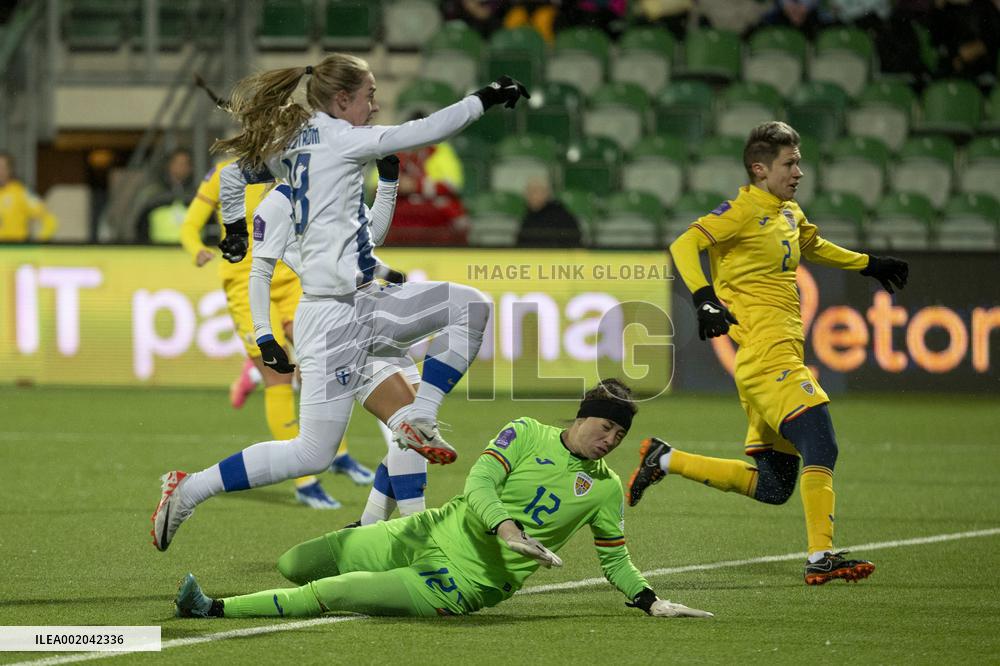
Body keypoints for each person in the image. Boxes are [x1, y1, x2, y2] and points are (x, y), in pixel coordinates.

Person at [150, 55, 529, 551]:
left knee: (470, 307)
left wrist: (236, 231)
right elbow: (431, 127)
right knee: (312, 455)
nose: (375, 106)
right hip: (329, 319)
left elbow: (230, 179)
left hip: (365, 304)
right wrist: (484, 97)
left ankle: (415, 467)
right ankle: (190, 487)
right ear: (342, 99)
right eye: (369, 95)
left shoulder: (295, 145)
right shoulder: (344, 142)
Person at [173, 379, 714, 620]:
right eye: (605, 427)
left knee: (332, 591)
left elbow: (614, 557)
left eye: (619, 436)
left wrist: (649, 600)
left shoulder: (604, 488)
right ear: (581, 416)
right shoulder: (525, 431)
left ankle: (210, 609)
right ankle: (366, 525)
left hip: (457, 584)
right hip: (429, 530)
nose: (611, 440)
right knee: (294, 563)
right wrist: (506, 528)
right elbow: (478, 483)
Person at [629, 121, 908, 585]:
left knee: (776, 485)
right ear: (760, 169)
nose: (798, 171)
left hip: (768, 359)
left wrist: (868, 263)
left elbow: (812, 245)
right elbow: (683, 244)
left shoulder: (789, 213)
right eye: (789, 163)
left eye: (799, 161)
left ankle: (664, 459)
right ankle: (821, 556)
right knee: (822, 441)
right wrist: (703, 297)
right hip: (768, 355)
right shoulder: (740, 210)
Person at [178, 154, 374, 509]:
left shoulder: (290, 161)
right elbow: (190, 226)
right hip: (245, 280)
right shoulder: (225, 172)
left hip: (292, 274)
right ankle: (305, 480)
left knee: (326, 357)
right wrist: (197, 251)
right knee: (278, 376)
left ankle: (339, 453)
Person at [135, 148, 196, 244]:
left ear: (190, 168)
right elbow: (140, 224)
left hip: (192, 249)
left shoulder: (198, 193)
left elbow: (211, 225)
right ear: (169, 165)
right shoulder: (153, 193)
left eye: (185, 164)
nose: (181, 167)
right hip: (158, 249)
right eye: (178, 163)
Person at [0, 152, 58, 242]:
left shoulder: (21, 192)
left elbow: (49, 220)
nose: (0, 171)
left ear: (10, 170)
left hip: (15, 248)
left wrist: (40, 243)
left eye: (3, 168)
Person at [516, 176, 582, 247]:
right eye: (528, 191)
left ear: (546, 193)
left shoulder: (559, 215)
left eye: (534, 191)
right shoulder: (528, 216)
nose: (529, 195)